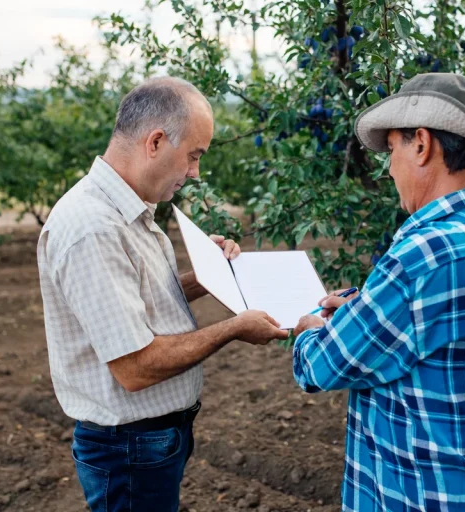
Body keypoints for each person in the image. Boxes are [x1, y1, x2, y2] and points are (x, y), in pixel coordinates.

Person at [37, 77, 288, 512]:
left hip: (151, 439)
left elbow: (141, 301)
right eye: (194, 156)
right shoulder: (93, 229)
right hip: (129, 446)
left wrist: (210, 277)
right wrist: (232, 329)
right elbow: (135, 366)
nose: (195, 173)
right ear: (155, 141)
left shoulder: (130, 211)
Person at [293, 73, 465, 511]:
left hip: (427, 495)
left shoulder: (423, 253)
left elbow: (326, 366)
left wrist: (311, 328)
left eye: (392, 149)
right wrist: (364, 308)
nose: (388, 167)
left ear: (421, 144)